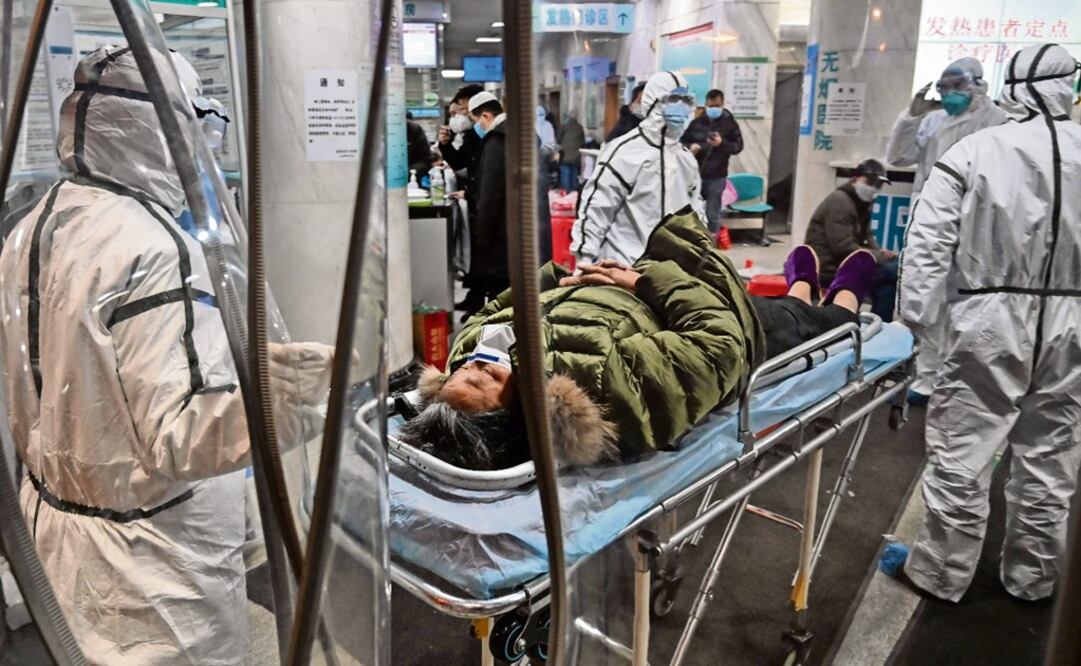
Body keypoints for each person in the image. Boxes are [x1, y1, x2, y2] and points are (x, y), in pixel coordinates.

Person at [0, 47, 335, 665]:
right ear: (161, 132)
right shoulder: (155, 247)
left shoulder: (32, 223)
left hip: (54, 527)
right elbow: (182, 436)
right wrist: (308, 385)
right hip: (153, 565)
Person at [399, 210, 879, 470]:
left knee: (778, 304)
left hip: (617, 290)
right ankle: (842, 303)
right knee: (790, 320)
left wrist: (558, 282)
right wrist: (641, 283)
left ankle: (803, 286)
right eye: (482, 382)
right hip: (690, 311)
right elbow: (720, 343)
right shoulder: (605, 392)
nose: (473, 366)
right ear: (513, 416)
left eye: (460, 375)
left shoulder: (469, 352)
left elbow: (493, 311)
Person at [897, 43, 1081, 604]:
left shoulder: (978, 150)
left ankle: (939, 574)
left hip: (990, 316)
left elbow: (927, 246)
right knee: (1052, 457)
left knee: (962, 451)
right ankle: (1034, 579)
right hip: (1075, 319)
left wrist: (918, 325)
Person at [886, 57, 1008, 403]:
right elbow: (897, 158)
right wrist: (910, 117)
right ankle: (924, 377)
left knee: (966, 303)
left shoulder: (996, 120)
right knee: (926, 300)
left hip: (976, 225)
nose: (949, 94)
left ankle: (959, 379)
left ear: (978, 86)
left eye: (957, 87)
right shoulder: (932, 120)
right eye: (944, 88)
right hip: (931, 221)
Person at [571, 71, 707, 267]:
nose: (680, 107)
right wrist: (584, 257)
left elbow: (696, 210)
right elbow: (597, 207)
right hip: (624, 265)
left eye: (686, 100)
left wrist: (700, 249)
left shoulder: (685, 159)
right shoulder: (624, 151)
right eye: (673, 99)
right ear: (653, 102)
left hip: (671, 270)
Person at [803, 158, 898, 322]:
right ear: (855, 179)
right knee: (894, 271)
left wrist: (880, 251)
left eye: (878, 185)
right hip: (828, 268)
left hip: (846, 263)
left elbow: (867, 235)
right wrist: (879, 257)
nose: (874, 188)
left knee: (887, 286)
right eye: (870, 182)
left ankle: (879, 328)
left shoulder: (862, 203)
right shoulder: (840, 202)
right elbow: (842, 247)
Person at [462, 91, 510, 312]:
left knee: (500, 301)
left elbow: (490, 195)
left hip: (501, 236)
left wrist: (482, 237)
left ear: (486, 116)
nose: (477, 127)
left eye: (475, 121)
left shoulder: (496, 141)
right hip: (517, 233)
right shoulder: (518, 134)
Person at [680, 89, 744, 232]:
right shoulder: (696, 123)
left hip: (717, 175)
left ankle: (711, 243)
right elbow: (682, 142)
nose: (714, 109)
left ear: (722, 105)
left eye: (717, 106)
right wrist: (691, 147)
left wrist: (722, 143)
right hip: (696, 174)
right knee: (692, 210)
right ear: (706, 105)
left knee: (712, 213)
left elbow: (738, 146)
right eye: (711, 106)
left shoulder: (730, 124)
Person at [439, 83, 485, 177]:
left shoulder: (491, 134)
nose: (458, 116)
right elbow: (459, 163)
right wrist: (445, 144)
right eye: (453, 114)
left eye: (463, 109)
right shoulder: (470, 135)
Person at [556, 111, 586, 191]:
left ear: (568, 117)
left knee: (565, 174)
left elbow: (558, 139)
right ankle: (573, 193)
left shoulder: (564, 126)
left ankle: (565, 192)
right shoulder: (580, 128)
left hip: (565, 155)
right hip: (576, 156)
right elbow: (583, 142)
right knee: (574, 174)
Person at [406, 112, 434, 177]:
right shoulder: (379, 128)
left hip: (410, 179)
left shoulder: (414, 129)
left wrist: (408, 172)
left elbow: (426, 159)